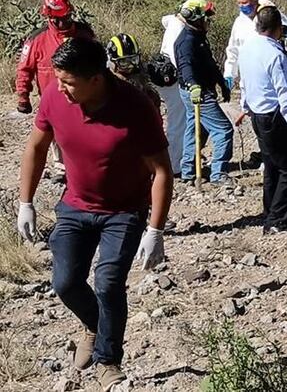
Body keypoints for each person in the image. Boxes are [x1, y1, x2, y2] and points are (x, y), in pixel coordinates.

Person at [16, 37, 172, 391]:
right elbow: (37, 147)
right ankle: (93, 325)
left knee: (108, 282)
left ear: (96, 79)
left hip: (124, 211)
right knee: (65, 282)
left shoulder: (135, 106)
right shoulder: (56, 95)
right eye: (59, 80)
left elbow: (162, 170)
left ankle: (108, 360)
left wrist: (155, 229)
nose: (60, 89)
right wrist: (26, 201)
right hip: (75, 204)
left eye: (69, 82)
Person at [238, 6, 287, 234]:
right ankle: (276, 219)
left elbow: (244, 83)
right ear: (279, 29)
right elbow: (285, 94)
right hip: (274, 115)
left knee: (272, 166)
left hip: (257, 115)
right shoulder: (276, 56)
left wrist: (245, 107)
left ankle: (270, 211)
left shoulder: (247, 48)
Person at [173, 0, 234, 184]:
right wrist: (194, 86)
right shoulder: (186, 41)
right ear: (195, 17)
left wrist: (222, 83)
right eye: (206, 16)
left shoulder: (198, 36)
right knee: (223, 130)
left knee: (196, 131)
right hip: (197, 92)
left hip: (200, 89)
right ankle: (219, 174)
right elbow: (185, 66)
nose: (209, 19)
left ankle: (188, 170)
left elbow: (209, 64)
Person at [15, 0, 95, 115]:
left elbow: (97, 65)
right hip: (52, 105)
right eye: (60, 19)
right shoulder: (36, 39)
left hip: (83, 104)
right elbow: (24, 70)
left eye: (67, 17)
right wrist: (23, 97)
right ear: (50, 18)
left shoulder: (85, 34)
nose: (65, 22)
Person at [159, 11, 189, 173]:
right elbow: (178, 59)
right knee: (178, 122)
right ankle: (174, 164)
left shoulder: (172, 23)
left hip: (166, 77)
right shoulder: (179, 29)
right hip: (173, 80)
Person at [106, 33, 161, 108]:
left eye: (134, 60)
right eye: (124, 62)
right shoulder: (105, 82)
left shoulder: (141, 74)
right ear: (112, 62)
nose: (130, 66)